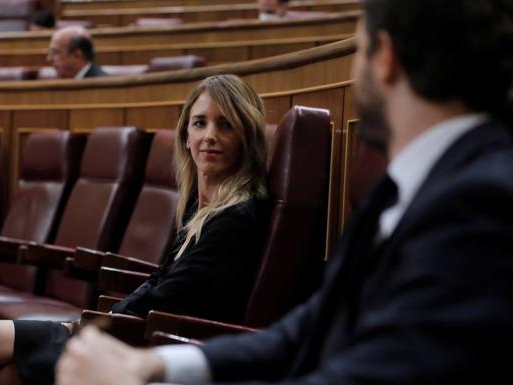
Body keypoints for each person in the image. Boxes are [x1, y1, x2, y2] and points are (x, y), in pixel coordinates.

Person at [55, 1, 513, 384]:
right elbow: (309, 329)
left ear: (385, 59)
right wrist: (153, 364)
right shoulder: (404, 189)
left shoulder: (482, 203)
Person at [0, 74, 270, 385]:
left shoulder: (235, 219)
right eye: (200, 122)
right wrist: (107, 316)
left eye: (225, 124)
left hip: (153, 346)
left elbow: (171, 299)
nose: (209, 135)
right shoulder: (199, 208)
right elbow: (160, 279)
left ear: (246, 137)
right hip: (135, 333)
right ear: (186, 135)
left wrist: (93, 325)